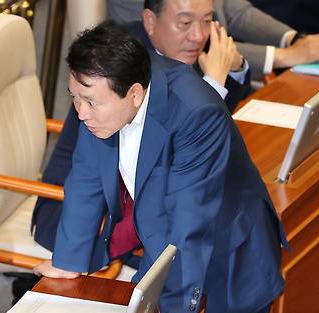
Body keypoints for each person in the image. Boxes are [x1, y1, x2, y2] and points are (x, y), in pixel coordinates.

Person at [34, 21, 287, 313]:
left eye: (91, 103)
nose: (81, 113)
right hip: (171, 238)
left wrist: (178, 309)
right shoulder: (100, 98)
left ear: (135, 95)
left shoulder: (195, 111)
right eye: (75, 99)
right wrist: (70, 260)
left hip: (231, 250)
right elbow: (85, 178)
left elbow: (190, 217)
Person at [33, 0, 251, 252]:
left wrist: (234, 67)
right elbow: (164, 160)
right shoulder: (121, 63)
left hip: (136, 198)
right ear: (150, 21)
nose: (198, 35)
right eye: (185, 23)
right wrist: (213, 84)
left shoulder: (186, 44)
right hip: (83, 211)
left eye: (206, 21)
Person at [107, 0, 319, 80]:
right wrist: (283, 56)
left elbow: (234, 9)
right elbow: (190, 42)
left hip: (225, 86)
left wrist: (293, 39)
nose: (199, 33)